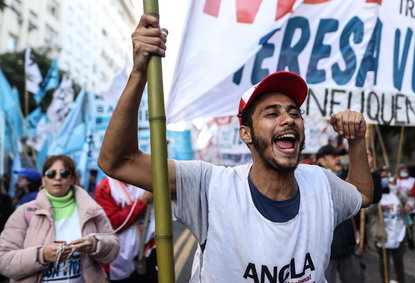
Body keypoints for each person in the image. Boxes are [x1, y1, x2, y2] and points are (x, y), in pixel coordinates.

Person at [98, 14, 373, 282]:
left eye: (294, 112)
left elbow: (361, 193)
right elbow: (117, 161)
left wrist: (357, 140)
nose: (288, 119)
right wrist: (138, 73)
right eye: (272, 113)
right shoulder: (211, 187)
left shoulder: (321, 183)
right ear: (246, 133)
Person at [0, 155, 119, 282]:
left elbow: (113, 251)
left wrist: (94, 244)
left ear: (72, 178)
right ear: (43, 179)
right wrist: (42, 255)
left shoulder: (92, 210)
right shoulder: (24, 212)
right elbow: (4, 262)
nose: (58, 177)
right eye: (51, 173)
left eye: (64, 173)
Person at [316, 144, 364, 283]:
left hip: (347, 248)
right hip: (324, 252)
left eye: (339, 156)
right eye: (333, 156)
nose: (338, 159)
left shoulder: (347, 179)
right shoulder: (311, 182)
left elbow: (368, 198)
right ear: (322, 160)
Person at [95, 177, 157, 282]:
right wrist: (142, 202)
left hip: (148, 251)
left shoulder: (148, 180)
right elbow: (112, 224)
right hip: (118, 258)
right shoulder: (106, 186)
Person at [368, 166, 414, 283]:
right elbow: (367, 211)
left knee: (399, 261)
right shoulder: (373, 194)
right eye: (381, 177)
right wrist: (374, 200)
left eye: (386, 176)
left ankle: (401, 280)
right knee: (384, 263)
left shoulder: (395, 189)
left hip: (399, 233)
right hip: (382, 235)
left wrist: (409, 205)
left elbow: (409, 199)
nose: (384, 179)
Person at [393, 164, 415, 252]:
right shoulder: (396, 180)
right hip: (400, 208)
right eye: (402, 171)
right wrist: (394, 180)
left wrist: (402, 193)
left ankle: (411, 243)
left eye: (405, 170)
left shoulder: (412, 180)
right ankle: (402, 243)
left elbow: (414, 192)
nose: (404, 172)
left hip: (410, 208)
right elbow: (392, 189)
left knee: (410, 226)